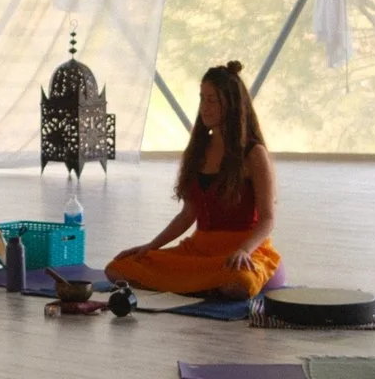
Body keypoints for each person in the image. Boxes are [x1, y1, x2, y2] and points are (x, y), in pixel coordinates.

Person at [106, 61, 280, 299]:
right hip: (199, 252)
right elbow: (188, 214)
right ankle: (202, 286)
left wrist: (244, 250)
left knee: (240, 281)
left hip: (239, 250)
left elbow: (268, 219)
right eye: (202, 99)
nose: (205, 108)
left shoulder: (253, 153)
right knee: (118, 268)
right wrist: (150, 247)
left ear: (232, 104)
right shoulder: (199, 150)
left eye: (212, 100)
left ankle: (195, 286)